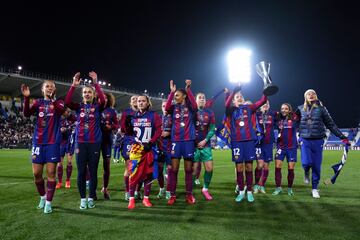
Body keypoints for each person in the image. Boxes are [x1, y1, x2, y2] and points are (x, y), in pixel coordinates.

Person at [21, 80, 65, 214]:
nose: (49, 88)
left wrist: (52, 100)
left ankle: (48, 203)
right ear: (42, 89)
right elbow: (26, 114)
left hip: (52, 143)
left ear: (55, 89)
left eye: (52, 86)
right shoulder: (38, 103)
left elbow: (61, 110)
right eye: (47, 86)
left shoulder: (59, 103)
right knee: (36, 174)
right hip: (38, 142)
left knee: (51, 173)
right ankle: (43, 197)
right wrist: (27, 97)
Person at [296, 89, 349, 198]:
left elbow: (331, 125)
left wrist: (342, 137)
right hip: (304, 140)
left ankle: (315, 188)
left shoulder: (322, 109)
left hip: (318, 140)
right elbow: (292, 121)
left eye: (313, 94)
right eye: (308, 94)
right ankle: (306, 172)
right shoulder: (300, 109)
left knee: (316, 165)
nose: (311, 95)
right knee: (306, 163)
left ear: (316, 96)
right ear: (305, 97)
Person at [65, 71, 105, 209]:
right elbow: (67, 102)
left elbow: (104, 100)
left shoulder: (98, 107)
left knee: (93, 172)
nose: (87, 94)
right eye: (85, 92)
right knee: (81, 172)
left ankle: (91, 197)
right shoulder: (79, 107)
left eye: (89, 92)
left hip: (94, 143)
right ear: (82, 95)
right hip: (80, 143)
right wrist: (73, 86)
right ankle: (83, 199)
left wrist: (96, 83)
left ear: (93, 95)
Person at [225, 85, 267, 203]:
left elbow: (263, 100)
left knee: (249, 167)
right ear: (233, 99)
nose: (239, 98)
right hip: (237, 142)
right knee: (239, 168)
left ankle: (249, 191)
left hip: (249, 141)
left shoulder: (249, 108)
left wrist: (266, 89)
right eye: (237, 97)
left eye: (241, 96)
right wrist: (234, 91)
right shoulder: (231, 110)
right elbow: (227, 104)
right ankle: (241, 191)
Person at [125, 95, 162, 209]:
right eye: (139, 101)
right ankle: (131, 199)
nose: (140, 102)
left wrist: (151, 143)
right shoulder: (131, 116)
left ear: (148, 103)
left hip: (149, 149)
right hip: (136, 150)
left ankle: (146, 198)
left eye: (143, 101)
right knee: (133, 174)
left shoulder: (153, 115)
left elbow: (159, 130)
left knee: (148, 175)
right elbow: (128, 134)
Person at [165, 79, 197, 205]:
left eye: (177, 95)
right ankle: (172, 195)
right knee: (174, 169)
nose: (175, 97)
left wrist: (188, 89)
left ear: (184, 96)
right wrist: (171, 93)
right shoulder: (173, 108)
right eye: (175, 96)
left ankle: (189, 194)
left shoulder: (190, 107)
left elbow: (194, 104)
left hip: (188, 140)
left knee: (188, 169)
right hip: (176, 141)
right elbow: (167, 107)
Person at [272, 103, 300, 196]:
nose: (283, 110)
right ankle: (278, 187)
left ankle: (289, 188)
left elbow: (300, 111)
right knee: (277, 166)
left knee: (290, 168)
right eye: (282, 108)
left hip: (292, 147)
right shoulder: (278, 119)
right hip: (281, 146)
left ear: (289, 110)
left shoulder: (294, 119)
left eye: (286, 108)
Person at [193, 92, 216, 200]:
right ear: (196, 100)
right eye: (199, 98)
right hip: (193, 145)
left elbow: (212, 129)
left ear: (205, 101)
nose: (202, 99)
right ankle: (190, 191)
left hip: (205, 145)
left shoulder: (210, 112)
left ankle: (205, 189)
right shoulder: (192, 112)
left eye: (203, 98)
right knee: (193, 170)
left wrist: (205, 140)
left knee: (209, 168)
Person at [253, 101, 275, 194]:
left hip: (269, 143)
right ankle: (256, 184)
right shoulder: (256, 114)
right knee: (260, 165)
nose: (265, 105)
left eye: (267, 104)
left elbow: (286, 114)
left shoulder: (273, 114)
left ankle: (262, 185)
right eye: (264, 104)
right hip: (259, 143)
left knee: (266, 166)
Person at [119, 95, 138, 201]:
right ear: (130, 102)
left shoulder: (143, 113)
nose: (135, 100)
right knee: (130, 168)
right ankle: (128, 191)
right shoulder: (126, 112)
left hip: (141, 142)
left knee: (140, 169)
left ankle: (136, 191)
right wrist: (126, 124)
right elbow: (122, 128)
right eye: (133, 99)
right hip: (129, 141)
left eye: (137, 99)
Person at [100, 93, 119, 200]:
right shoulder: (95, 108)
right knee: (91, 165)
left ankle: (105, 188)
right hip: (95, 140)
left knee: (106, 165)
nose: (104, 99)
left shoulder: (111, 111)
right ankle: (90, 185)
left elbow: (117, 125)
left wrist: (111, 126)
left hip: (107, 140)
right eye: (102, 98)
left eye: (106, 98)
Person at [156, 100, 172, 199]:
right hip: (159, 147)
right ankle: (161, 188)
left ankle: (168, 191)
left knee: (170, 171)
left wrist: (169, 133)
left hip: (170, 148)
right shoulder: (158, 118)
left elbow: (178, 130)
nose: (165, 107)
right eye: (163, 106)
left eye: (167, 106)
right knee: (159, 170)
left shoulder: (174, 118)